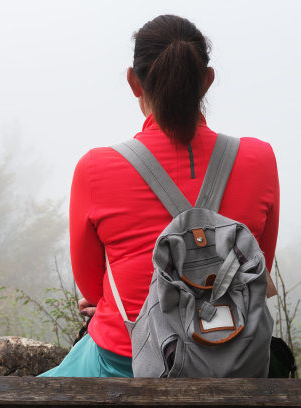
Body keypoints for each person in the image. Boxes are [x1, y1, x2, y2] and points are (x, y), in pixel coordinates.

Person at [40, 14, 279, 377]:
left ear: (133, 82)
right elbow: (257, 264)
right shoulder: (260, 159)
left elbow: (91, 286)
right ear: (207, 81)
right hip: (232, 362)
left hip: (127, 361)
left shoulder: (95, 167)